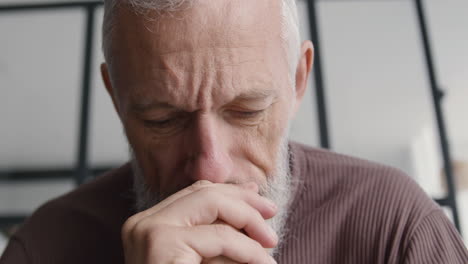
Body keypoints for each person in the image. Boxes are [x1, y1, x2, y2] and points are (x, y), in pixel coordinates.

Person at [1, 0, 467, 263]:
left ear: (298, 80)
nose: (211, 167)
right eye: (163, 120)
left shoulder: (395, 228)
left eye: (246, 111)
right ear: (117, 100)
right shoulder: (42, 249)